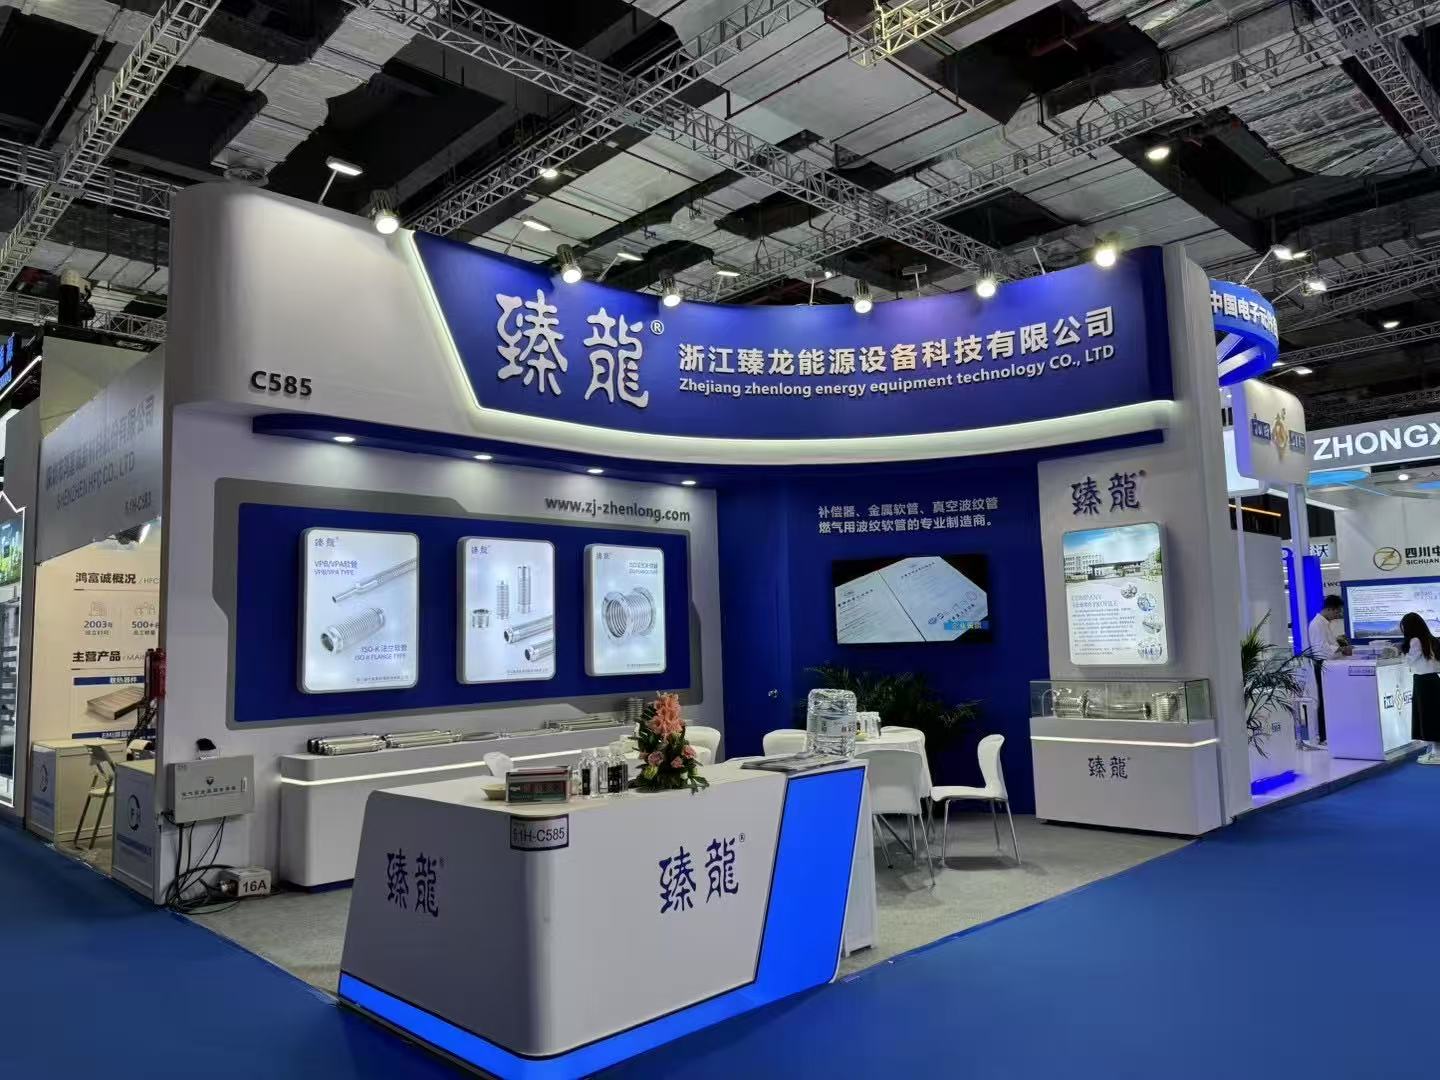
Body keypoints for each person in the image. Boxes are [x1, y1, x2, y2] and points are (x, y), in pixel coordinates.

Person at [1307, 595, 1352, 744]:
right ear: (1329, 609)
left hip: (1329, 666)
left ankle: (1330, 733)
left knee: (1331, 700)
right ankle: (1324, 736)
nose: (1337, 615)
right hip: (1322, 665)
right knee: (1325, 700)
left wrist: (1340, 647)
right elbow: (1321, 648)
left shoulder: (1324, 624)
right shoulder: (1316, 624)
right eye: (1337, 612)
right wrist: (1341, 649)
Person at [1400, 612, 1440, 765]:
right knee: (1433, 716)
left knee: (1428, 717)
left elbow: (1410, 660)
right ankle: (1435, 751)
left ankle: (1437, 753)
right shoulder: (1429, 638)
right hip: (1431, 680)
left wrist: (1401, 652)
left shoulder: (1415, 640)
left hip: (1424, 681)